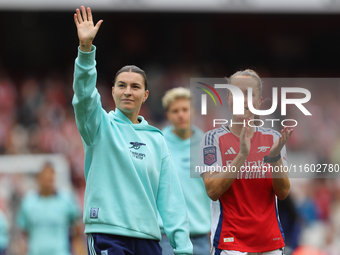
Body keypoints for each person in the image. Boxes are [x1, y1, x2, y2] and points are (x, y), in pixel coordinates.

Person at [72, 6, 193, 255]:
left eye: (135, 86)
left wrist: (183, 247)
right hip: (108, 234)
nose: (128, 91)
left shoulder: (156, 140)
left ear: (145, 94)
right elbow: (84, 96)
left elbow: (170, 198)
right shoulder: (98, 126)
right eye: (122, 85)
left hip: (148, 239)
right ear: (113, 91)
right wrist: (85, 51)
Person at [199, 69, 292, 255]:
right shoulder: (212, 139)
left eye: (249, 94)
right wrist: (241, 155)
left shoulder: (274, 139)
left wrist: (274, 159)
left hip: (269, 242)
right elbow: (213, 191)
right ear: (228, 98)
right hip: (230, 242)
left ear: (259, 101)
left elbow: (283, 193)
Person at [159, 87, 211, 255]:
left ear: (193, 112)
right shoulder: (157, 144)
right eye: (175, 111)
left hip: (200, 237)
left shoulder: (208, 145)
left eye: (185, 109)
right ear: (167, 115)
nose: (180, 115)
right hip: (166, 237)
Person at [16, 163, 81, 255]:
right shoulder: (28, 201)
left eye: (50, 178)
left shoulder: (66, 200)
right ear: (39, 179)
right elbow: (23, 230)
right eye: (45, 178)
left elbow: (77, 226)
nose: (48, 181)